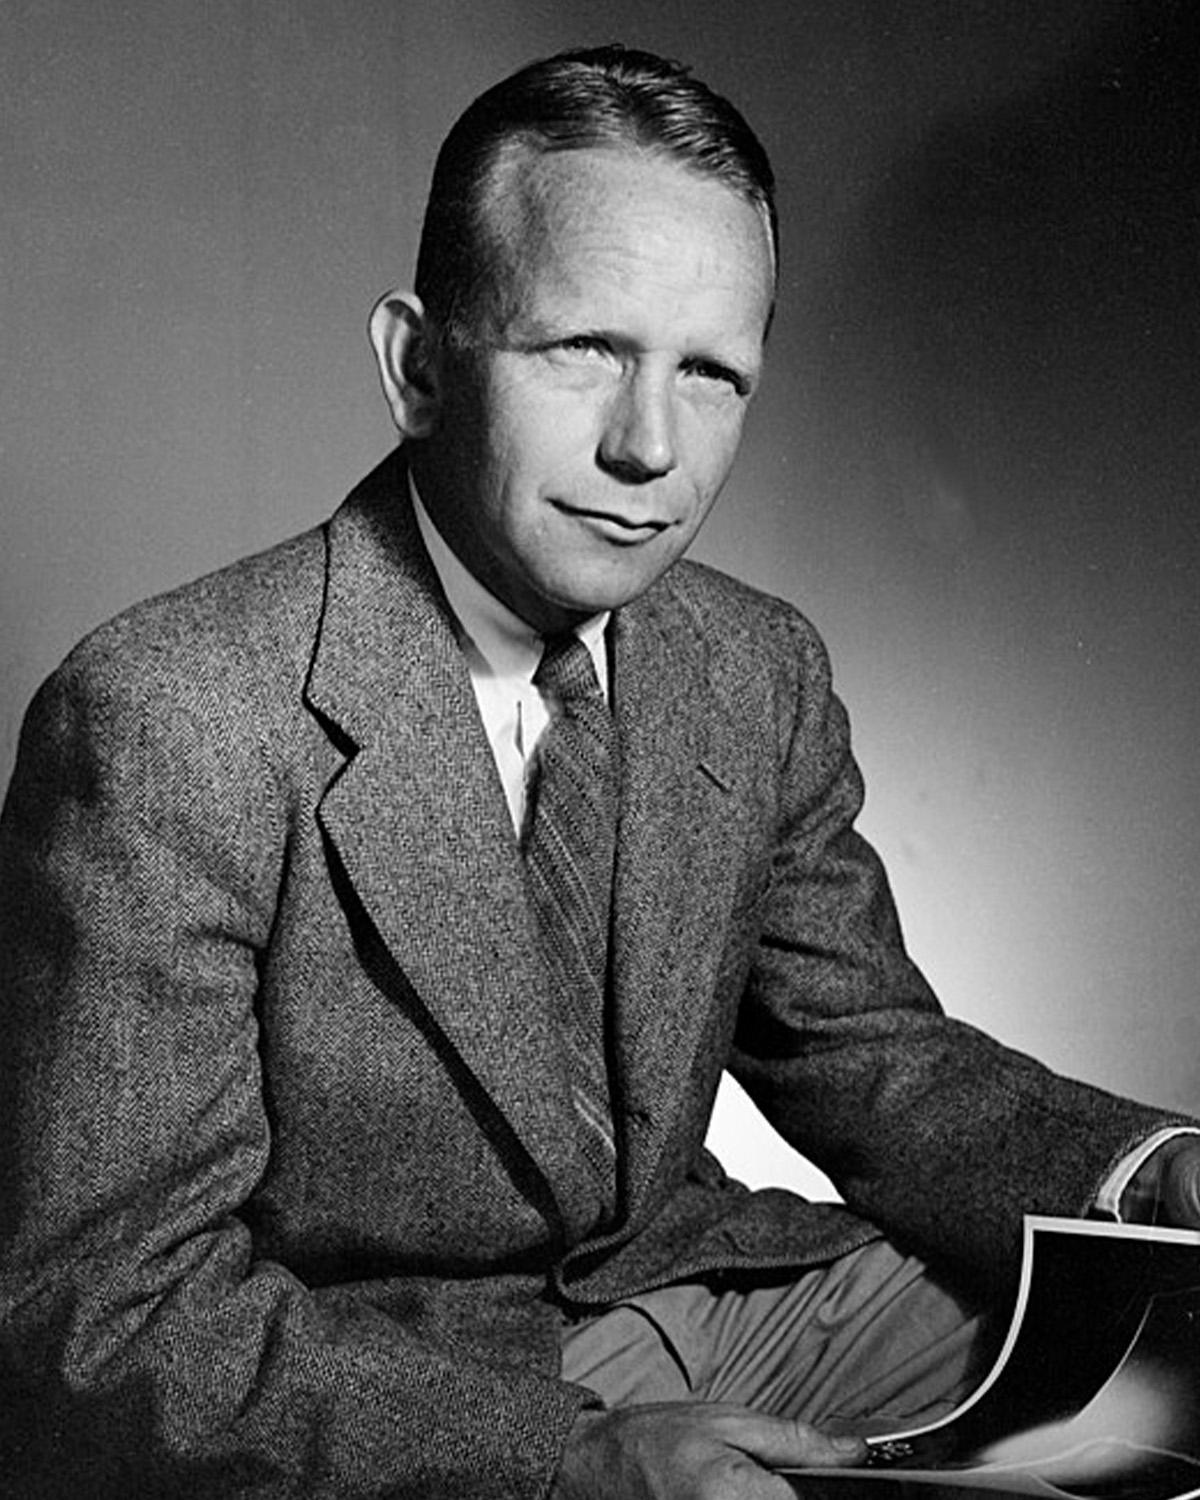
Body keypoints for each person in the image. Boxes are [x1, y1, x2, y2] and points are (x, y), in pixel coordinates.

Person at [1, 43, 1198, 1500]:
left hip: (742, 1301)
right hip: (401, 1386)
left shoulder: (755, 668)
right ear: (419, 366)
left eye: (711, 374)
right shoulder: (168, 717)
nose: (650, 448)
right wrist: (559, 1464)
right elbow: (102, 1315)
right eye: (584, 350)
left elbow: (866, 1055)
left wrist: (1146, 1179)